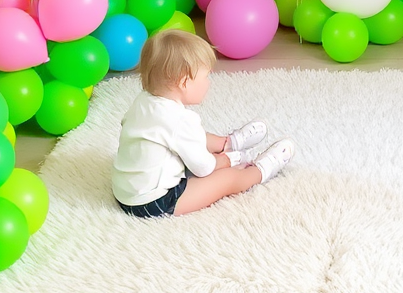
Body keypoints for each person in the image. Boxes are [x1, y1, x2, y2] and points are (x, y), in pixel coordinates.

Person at [112, 29, 293, 218]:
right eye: (205, 76)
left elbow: (177, 136)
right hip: (153, 201)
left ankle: (228, 142)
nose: (208, 83)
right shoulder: (180, 120)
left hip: (126, 191)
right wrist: (225, 160)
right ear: (184, 83)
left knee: (193, 137)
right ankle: (259, 171)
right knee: (226, 180)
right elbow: (203, 168)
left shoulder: (143, 101)